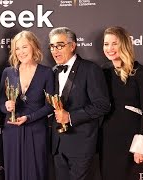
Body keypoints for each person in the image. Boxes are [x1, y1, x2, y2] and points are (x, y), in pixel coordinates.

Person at [48, 27, 110, 180]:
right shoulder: (53, 71)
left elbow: (102, 105)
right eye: (52, 46)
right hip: (58, 144)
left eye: (60, 45)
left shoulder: (91, 69)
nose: (55, 50)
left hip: (81, 145)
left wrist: (70, 116)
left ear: (72, 46)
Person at [0, 30, 54, 180]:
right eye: (17, 48)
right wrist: (6, 106)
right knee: (13, 173)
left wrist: (29, 118)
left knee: (35, 171)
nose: (21, 52)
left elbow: (50, 106)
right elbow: (1, 103)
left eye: (25, 47)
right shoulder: (8, 72)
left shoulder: (47, 72)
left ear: (34, 47)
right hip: (12, 129)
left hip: (36, 129)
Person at [100, 26, 143, 180]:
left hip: (129, 138)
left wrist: (140, 147)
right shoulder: (104, 71)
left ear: (124, 44)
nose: (109, 48)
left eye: (114, 43)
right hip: (107, 137)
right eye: (106, 44)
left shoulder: (140, 72)